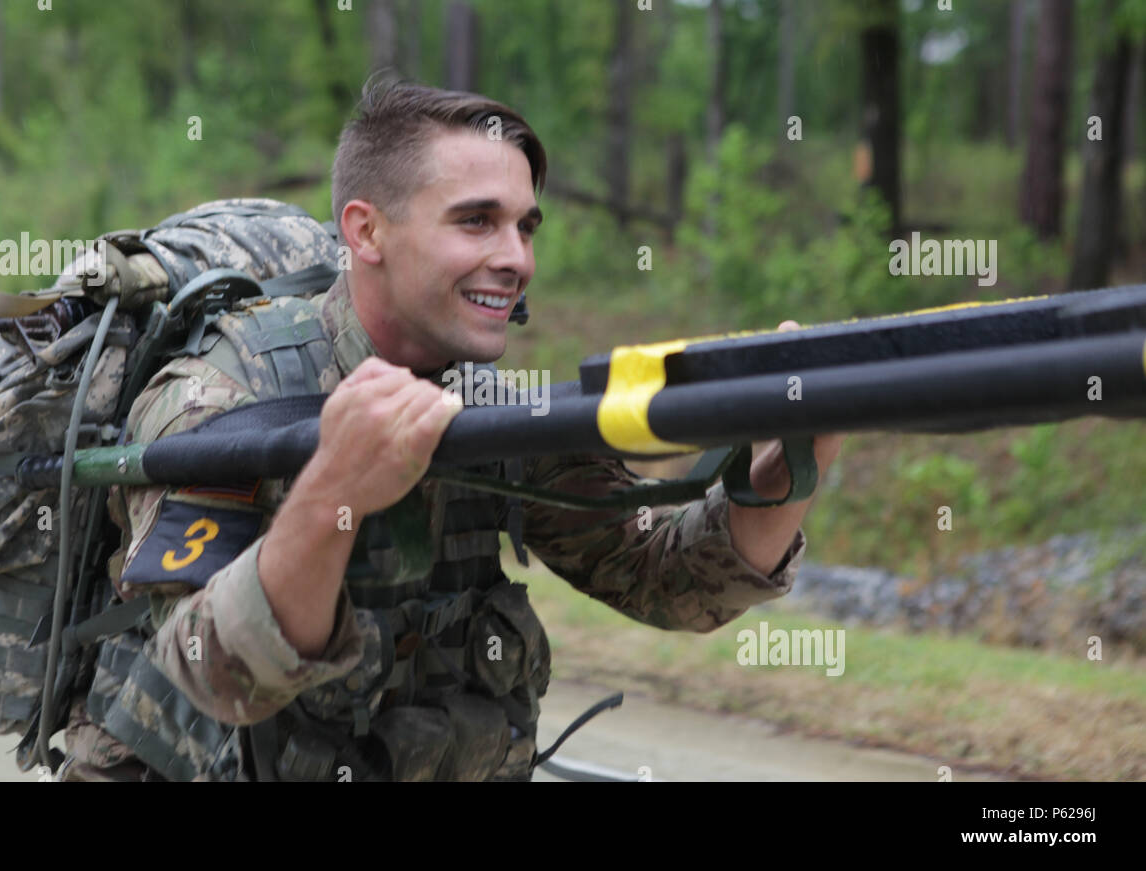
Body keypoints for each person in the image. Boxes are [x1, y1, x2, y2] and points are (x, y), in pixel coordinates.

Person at [57, 76, 844, 782]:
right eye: (476, 221)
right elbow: (211, 671)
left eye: (525, 227)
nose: (516, 258)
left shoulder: (488, 408)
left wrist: (786, 463)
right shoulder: (223, 395)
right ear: (366, 232)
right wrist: (334, 488)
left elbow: (659, 574)